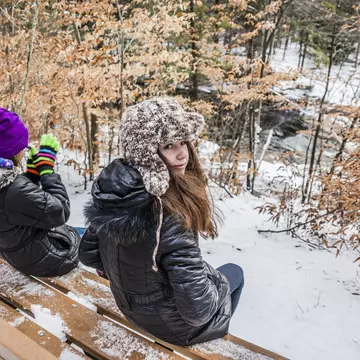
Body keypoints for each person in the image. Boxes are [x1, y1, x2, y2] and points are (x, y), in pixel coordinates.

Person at [79, 98, 244, 345]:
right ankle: (219, 341)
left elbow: (89, 255)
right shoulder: (171, 216)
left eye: (183, 142)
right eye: (168, 145)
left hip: (131, 308)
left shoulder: (117, 193)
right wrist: (213, 283)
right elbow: (198, 312)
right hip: (175, 329)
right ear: (145, 153)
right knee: (235, 274)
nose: (182, 153)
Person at [0, 108, 79, 277]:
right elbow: (59, 211)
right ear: (12, 151)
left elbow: (15, 206)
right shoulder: (14, 188)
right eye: (22, 147)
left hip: (11, 250)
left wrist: (31, 176)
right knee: (76, 237)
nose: (23, 152)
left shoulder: (7, 183)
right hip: (42, 262)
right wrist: (47, 172)